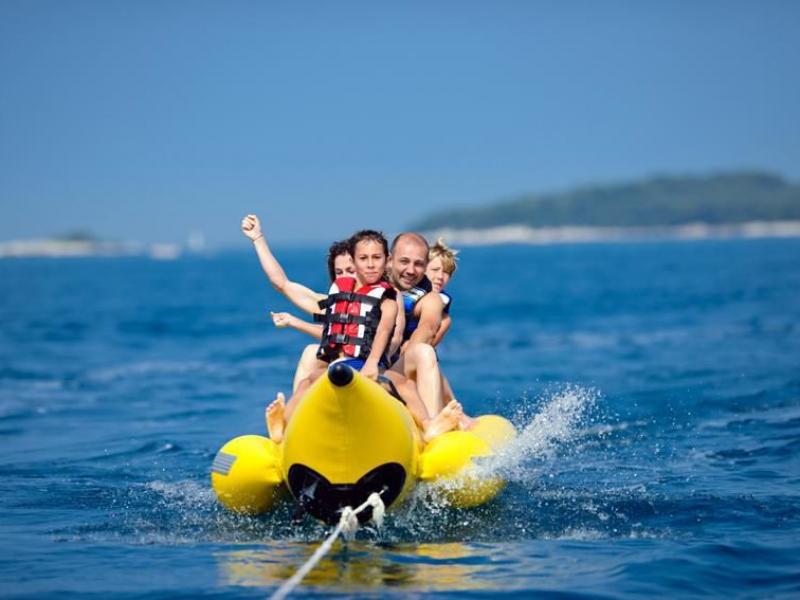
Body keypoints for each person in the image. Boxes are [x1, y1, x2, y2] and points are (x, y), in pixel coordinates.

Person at [241, 216, 462, 442]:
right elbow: (283, 284)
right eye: (343, 270)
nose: (365, 265)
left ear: (384, 260)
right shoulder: (343, 300)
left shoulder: (394, 298)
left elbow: (397, 333)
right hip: (348, 365)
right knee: (310, 357)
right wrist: (258, 239)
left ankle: (431, 430)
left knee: (413, 372)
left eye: (375, 258)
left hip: (383, 365)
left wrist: (377, 362)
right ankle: (291, 431)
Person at [388, 232, 474, 429]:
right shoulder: (391, 284)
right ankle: (455, 414)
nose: (440, 276)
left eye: (446, 273)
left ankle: (452, 417)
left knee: (427, 355)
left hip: (410, 356)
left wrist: (411, 346)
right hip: (394, 357)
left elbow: (429, 330)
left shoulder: (435, 301)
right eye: (435, 269)